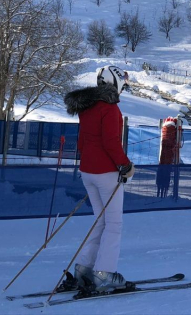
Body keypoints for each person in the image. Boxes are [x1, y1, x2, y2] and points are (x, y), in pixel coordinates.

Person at [64, 66, 135, 293]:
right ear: (115, 83)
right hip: (106, 173)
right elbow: (111, 142)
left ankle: (84, 269)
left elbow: (82, 143)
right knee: (113, 224)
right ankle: (104, 273)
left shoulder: (87, 107)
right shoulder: (110, 108)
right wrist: (125, 165)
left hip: (88, 172)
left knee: (100, 221)